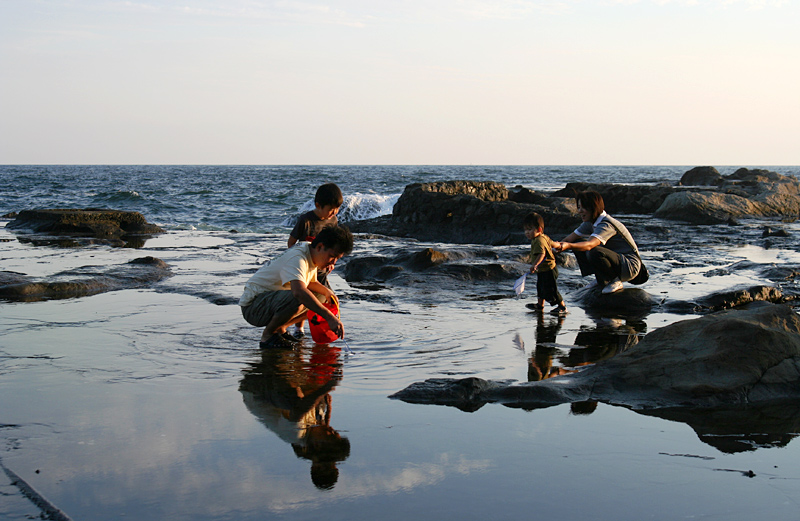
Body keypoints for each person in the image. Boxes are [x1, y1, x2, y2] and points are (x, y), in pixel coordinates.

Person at [240, 225, 354, 349]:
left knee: (321, 297)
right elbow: (299, 292)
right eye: (332, 256)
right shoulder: (298, 258)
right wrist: (329, 316)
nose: (334, 262)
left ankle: (280, 328)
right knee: (298, 296)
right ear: (320, 246)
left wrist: (327, 292)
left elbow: (309, 282)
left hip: (270, 300)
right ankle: (268, 336)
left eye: (338, 258)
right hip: (253, 307)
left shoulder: (310, 250)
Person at [552, 190, 642, 294]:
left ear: (593, 208)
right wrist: (552, 249)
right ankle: (601, 278)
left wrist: (568, 246)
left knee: (593, 250)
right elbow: (569, 239)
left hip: (630, 266)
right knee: (577, 242)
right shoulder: (590, 222)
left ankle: (614, 280)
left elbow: (590, 245)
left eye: (583, 208)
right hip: (617, 260)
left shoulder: (606, 224)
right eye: (579, 207)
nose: (579, 211)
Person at [287, 183, 344, 338]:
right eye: (331, 209)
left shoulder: (333, 221)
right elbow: (291, 243)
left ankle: (322, 328)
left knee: (328, 299)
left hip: (322, 270)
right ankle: (298, 328)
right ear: (318, 205)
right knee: (305, 298)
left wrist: (332, 262)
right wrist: (296, 261)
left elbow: (334, 245)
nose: (334, 212)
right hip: (306, 269)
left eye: (337, 209)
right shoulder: (305, 221)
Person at [523, 212, 568, 315]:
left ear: (539, 229)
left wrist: (535, 265)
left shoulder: (539, 240)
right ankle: (540, 305)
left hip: (549, 269)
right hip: (543, 269)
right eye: (525, 230)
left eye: (530, 229)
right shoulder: (543, 237)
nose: (527, 232)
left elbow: (541, 254)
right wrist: (559, 246)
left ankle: (562, 306)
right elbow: (553, 243)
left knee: (552, 289)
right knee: (540, 287)